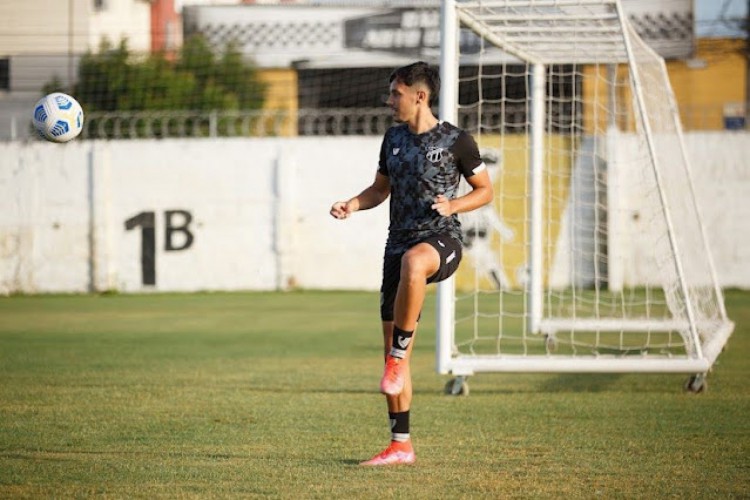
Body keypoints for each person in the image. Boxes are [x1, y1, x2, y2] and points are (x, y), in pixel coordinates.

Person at [329, 61, 494, 466]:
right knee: (391, 352)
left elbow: (485, 191)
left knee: (416, 264)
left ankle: (399, 358)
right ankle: (400, 444)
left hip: (442, 241)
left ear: (419, 95)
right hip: (396, 247)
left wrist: (454, 204)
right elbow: (379, 189)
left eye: (395, 94)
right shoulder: (393, 139)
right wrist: (352, 203)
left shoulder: (457, 140)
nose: (389, 101)